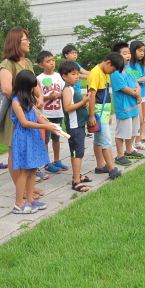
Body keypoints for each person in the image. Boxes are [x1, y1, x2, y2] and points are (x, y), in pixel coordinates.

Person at [0, 29, 45, 198]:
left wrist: (40, 96)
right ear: (16, 42)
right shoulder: (6, 65)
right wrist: (26, 100)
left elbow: (34, 83)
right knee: (15, 151)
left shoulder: (28, 62)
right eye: (25, 39)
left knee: (28, 148)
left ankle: (28, 187)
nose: (28, 42)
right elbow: (6, 89)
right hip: (15, 114)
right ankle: (21, 189)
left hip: (28, 110)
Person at [10, 70, 58, 214]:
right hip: (24, 138)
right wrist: (46, 127)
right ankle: (18, 203)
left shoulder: (29, 100)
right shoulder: (16, 102)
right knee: (24, 171)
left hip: (33, 136)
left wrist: (52, 126)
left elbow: (37, 117)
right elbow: (24, 123)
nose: (33, 89)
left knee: (32, 169)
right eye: (31, 87)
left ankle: (30, 200)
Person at [87, 52, 125, 180]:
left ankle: (100, 165)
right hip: (98, 113)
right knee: (106, 141)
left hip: (104, 112)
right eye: (113, 69)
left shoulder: (106, 74)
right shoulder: (95, 73)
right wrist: (91, 115)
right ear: (108, 63)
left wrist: (108, 114)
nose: (112, 72)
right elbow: (92, 96)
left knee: (98, 140)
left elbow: (106, 95)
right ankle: (111, 168)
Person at [60, 61, 92, 192]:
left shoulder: (72, 88)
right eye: (73, 74)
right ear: (64, 76)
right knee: (77, 152)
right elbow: (67, 107)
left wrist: (83, 103)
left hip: (79, 125)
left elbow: (75, 104)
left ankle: (77, 175)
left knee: (78, 152)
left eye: (78, 74)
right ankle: (76, 181)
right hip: (74, 126)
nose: (77, 76)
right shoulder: (67, 89)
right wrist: (83, 101)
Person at [36, 50, 69, 174]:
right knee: (45, 139)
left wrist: (59, 94)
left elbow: (64, 90)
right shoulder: (38, 79)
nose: (51, 63)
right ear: (41, 65)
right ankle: (46, 163)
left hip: (58, 112)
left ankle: (57, 160)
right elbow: (37, 97)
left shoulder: (59, 76)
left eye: (53, 60)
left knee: (57, 137)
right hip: (45, 114)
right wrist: (48, 97)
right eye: (48, 61)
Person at [110, 44, 142, 166]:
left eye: (128, 53)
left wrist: (138, 90)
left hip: (133, 105)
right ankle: (119, 155)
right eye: (124, 53)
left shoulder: (128, 68)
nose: (128, 55)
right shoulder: (115, 71)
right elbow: (123, 87)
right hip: (124, 107)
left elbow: (135, 82)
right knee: (122, 132)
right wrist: (136, 95)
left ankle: (129, 150)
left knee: (133, 130)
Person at [128, 40, 145, 149]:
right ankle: (131, 145)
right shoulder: (129, 65)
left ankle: (138, 142)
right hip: (136, 94)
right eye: (139, 51)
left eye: (143, 51)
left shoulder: (140, 65)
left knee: (143, 119)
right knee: (138, 119)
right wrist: (139, 79)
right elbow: (129, 80)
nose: (142, 53)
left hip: (144, 92)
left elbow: (142, 77)